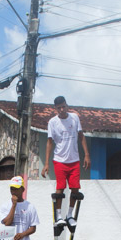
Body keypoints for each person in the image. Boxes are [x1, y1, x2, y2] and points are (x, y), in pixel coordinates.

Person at [41, 96, 90, 229]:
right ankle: (59, 216)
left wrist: (86, 155)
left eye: (63, 106)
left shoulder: (74, 118)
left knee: (75, 188)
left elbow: (81, 136)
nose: (62, 110)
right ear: (55, 109)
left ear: (66, 105)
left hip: (74, 160)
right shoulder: (53, 122)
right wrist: (46, 163)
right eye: (59, 108)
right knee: (60, 187)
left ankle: (69, 215)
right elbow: (49, 142)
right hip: (59, 160)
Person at [0, 176, 39, 240]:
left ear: (22, 190)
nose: (13, 191)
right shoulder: (5, 206)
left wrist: (22, 234)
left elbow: (33, 228)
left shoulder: (30, 206)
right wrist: (14, 205)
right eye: (12, 189)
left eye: (16, 189)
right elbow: (7, 223)